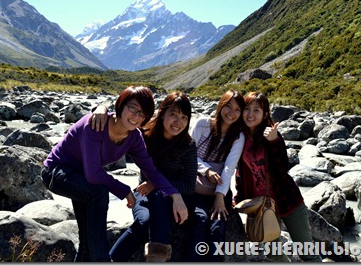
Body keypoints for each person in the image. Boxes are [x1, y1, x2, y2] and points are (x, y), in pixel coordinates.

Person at [40, 86, 188, 262]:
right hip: (56, 172)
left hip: (81, 179)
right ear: (121, 105)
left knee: (87, 242)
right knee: (99, 192)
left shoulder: (134, 137)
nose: (136, 116)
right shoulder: (96, 124)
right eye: (133, 108)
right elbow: (94, 174)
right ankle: (103, 260)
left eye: (142, 113)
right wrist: (124, 190)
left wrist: (175, 194)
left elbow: (151, 171)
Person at [91, 91, 197, 262]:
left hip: (173, 200)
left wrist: (156, 184)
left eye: (184, 117)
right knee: (143, 222)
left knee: (158, 194)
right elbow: (119, 121)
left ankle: (156, 259)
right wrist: (101, 108)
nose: (178, 122)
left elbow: (189, 185)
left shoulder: (188, 145)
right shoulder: (144, 136)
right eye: (174, 115)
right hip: (144, 194)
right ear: (162, 114)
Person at [234, 92, 322, 262]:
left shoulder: (270, 135)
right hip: (261, 206)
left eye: (256, 110)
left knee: (307, 252)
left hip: (288, 201)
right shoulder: (240, 137)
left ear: (265, 114)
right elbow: (240, 172)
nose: (250, 114)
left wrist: (274, 141)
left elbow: (282, 168)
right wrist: (239, 198)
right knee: (273, 253)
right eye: (247, 109)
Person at [184, 89, 245, 262]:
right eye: (228, 107)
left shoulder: (238, 137)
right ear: (221, 105)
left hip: (220, 189)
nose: (231, 113)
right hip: (196, 187)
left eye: (237, 110)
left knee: (218, 227)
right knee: (200, 221)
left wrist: (220, 197)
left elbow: (229, 168)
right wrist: (207, 170)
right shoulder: (202, 124)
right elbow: (188, 154)